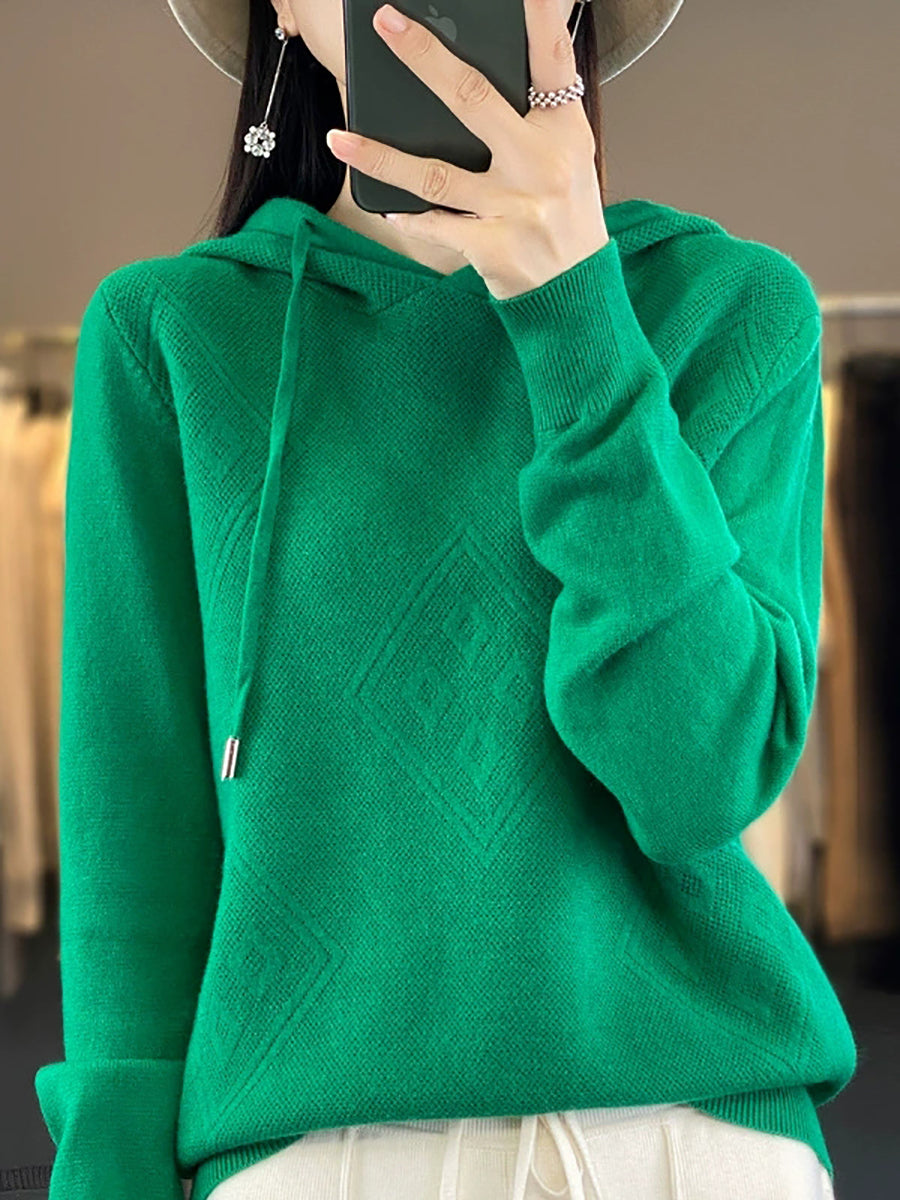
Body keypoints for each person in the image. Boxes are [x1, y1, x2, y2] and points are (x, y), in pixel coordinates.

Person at [34, 1, 856, 1197]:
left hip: (690, 1135)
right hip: (315, 1154)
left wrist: (575, 312)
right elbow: (135, 839)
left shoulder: (733, 307)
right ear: (282, 8)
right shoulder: (170, 334)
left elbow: (702, 777)